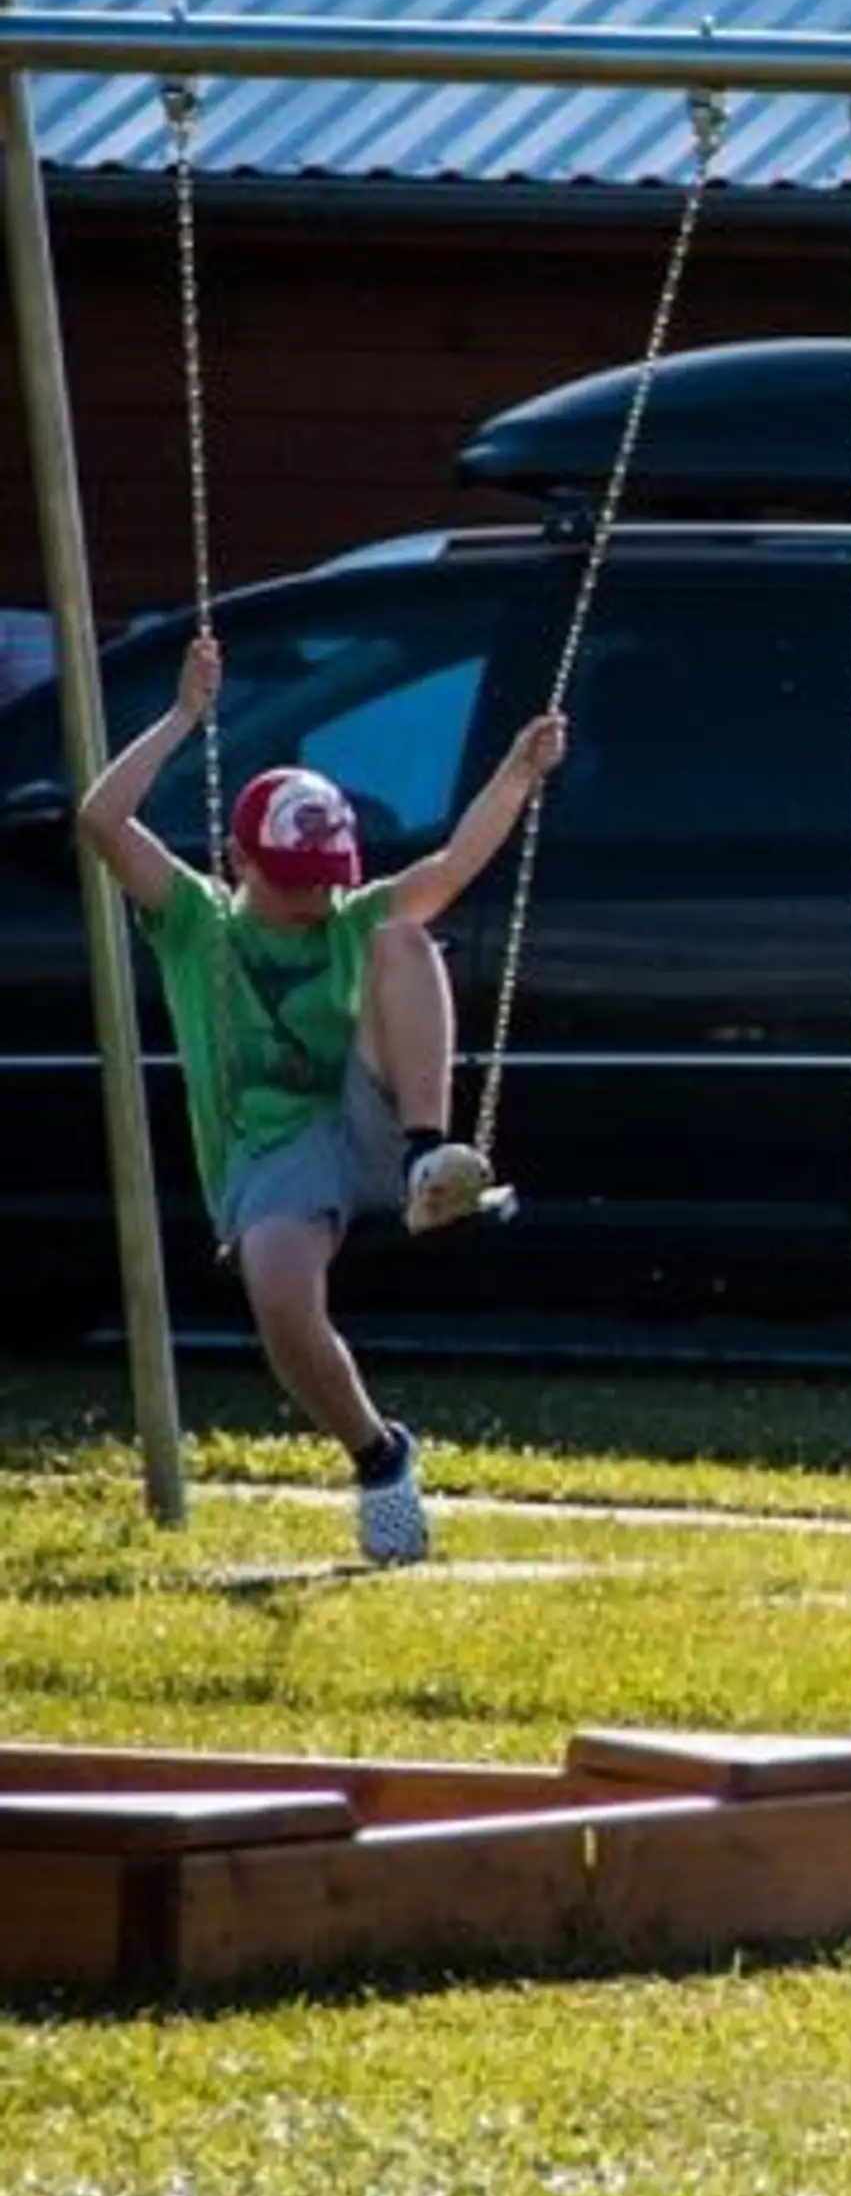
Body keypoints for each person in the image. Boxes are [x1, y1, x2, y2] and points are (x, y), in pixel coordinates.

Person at [76, 632, 569, 1567]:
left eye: (326, 879)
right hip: (270, 1154)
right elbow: (102, 820)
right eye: (294, 883)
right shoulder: (191, 921)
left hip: (367, 1117)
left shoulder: (350, 916)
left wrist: (514, 771)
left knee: (404, 937)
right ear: (238, 858)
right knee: (279, 1296)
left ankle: (432, 1155)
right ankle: (379, 1456)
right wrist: (184, 715)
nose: (315, 901)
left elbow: (455, 865)